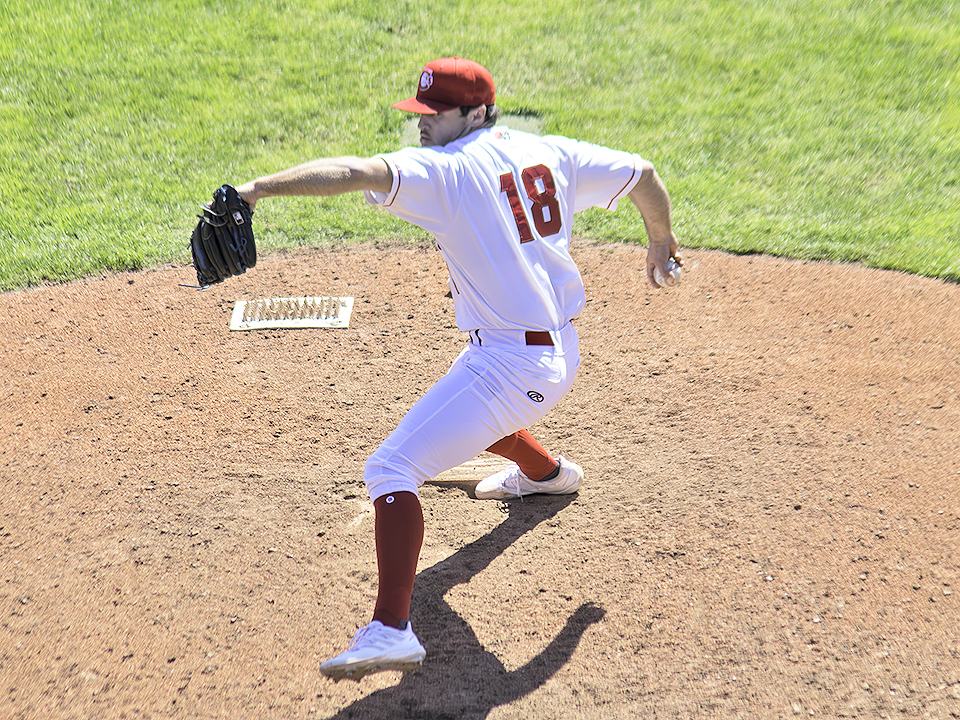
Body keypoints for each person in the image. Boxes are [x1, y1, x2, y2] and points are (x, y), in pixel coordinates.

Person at [233, 56, 682, 681]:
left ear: (475, 113)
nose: (422, 124)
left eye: (434, 114)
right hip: (551, 352)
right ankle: (548, 474)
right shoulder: (550, 151)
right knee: (466, 406)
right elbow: (644, 175)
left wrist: (256, 189)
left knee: (391, 468)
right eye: (418, 112)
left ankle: (391, 630)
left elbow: (356, 172)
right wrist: (660, 240)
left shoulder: (447, 172)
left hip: (512, 364)